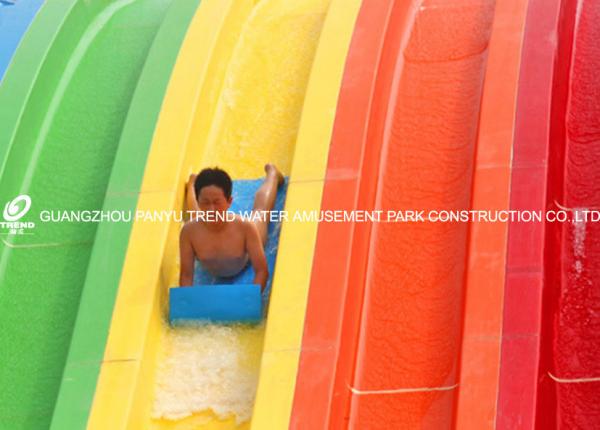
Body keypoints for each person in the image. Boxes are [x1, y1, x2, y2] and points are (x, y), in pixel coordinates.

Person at [179, 164, 284, 291]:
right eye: (205, 203)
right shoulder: (189, 232)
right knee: (196, 216)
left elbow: (262, 271)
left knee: (261, 213)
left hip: (244, 260)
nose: (211, 209)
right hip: (200, 226)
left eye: (217, 202)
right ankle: (192, 184)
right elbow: (186, 275)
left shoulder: (245, 228)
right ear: (198, 200)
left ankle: (272, 175)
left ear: (229, 201)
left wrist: (250, 299)